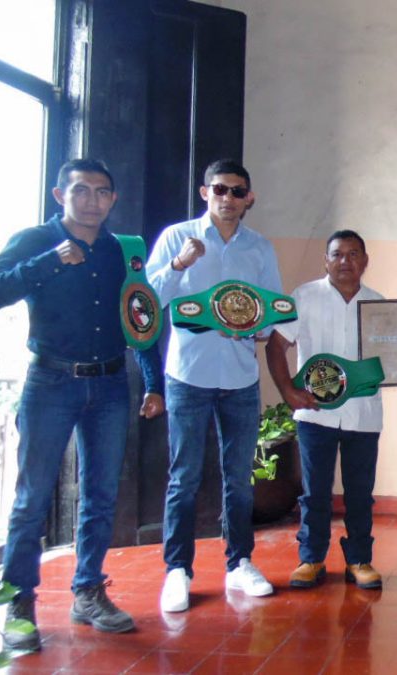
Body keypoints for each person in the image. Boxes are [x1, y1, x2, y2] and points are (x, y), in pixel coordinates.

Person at [0, 159, 164, 649]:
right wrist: (51, 261)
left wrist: (152, 382)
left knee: (101, 495)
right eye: (81, 190)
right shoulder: (34, 241)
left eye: (102, 192)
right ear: (60, 195)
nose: (92, 200)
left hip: (112, 385)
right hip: (50, 381)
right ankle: (20, 602)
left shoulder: (122, 251)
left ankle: (87, 590)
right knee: (31, 500)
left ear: (113, 199)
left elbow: (142, 316)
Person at [147, 159, 283, 612]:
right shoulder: (176, 237)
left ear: (249, 198)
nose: (228, 198)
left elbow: (271, 314)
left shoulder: (260, 249)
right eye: (220, 189)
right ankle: (177, 570)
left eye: (237, 191)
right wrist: (179, 264)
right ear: (205, 192)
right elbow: (147, 302)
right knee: (183, 477)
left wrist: (256, 329)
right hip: (188, 373)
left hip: (241, 376)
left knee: (239, 480)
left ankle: (239, 562)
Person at [266, 230, 385, 590]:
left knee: (359, 492)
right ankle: (311, 558)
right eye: (337, 254)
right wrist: (288, 390)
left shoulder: (379, 305)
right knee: (315, 490)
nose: (345, 261)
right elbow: (276, 345)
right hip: (315, 413)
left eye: (353, 255)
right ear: (326, 260)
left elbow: (394, 359)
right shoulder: (303, 296)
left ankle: (360, 559)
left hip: (364, 414)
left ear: (364, 261)